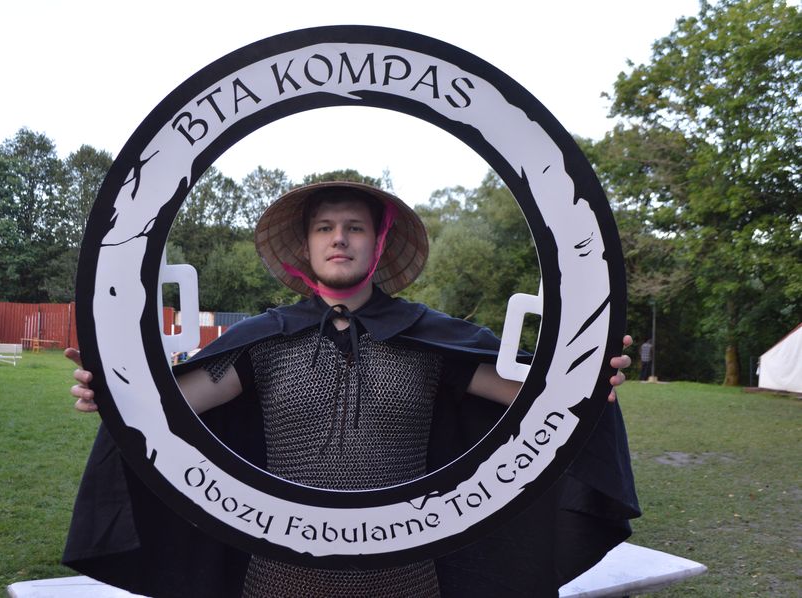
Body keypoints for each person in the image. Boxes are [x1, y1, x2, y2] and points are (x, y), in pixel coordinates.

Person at [64, 182, 637, 597]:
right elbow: (170, 408)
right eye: (325, 228)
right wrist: (113, 393)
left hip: (404, 571)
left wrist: (586, 375)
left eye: (355, 227)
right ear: (307, 247)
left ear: (377, 243)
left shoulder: (429, 340)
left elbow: (536, 397)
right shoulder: (265, 340)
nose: (339, 239)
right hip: (283, 573)